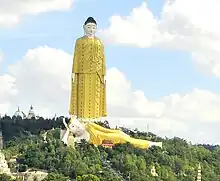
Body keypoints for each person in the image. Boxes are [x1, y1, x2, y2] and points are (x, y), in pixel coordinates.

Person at [69, 17, 107, 122]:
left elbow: (102, 57)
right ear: (84, 27)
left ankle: (95, 119)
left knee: (96, 97)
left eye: (94, 27)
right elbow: (76, 56)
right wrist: (74, 71)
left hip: (96, 73)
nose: (91, 30)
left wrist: (104, 73)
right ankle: (82, 118)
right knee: (83, 96)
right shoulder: (79, 41)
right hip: (82, 72)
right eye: (89, 27)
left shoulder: (99, 42)